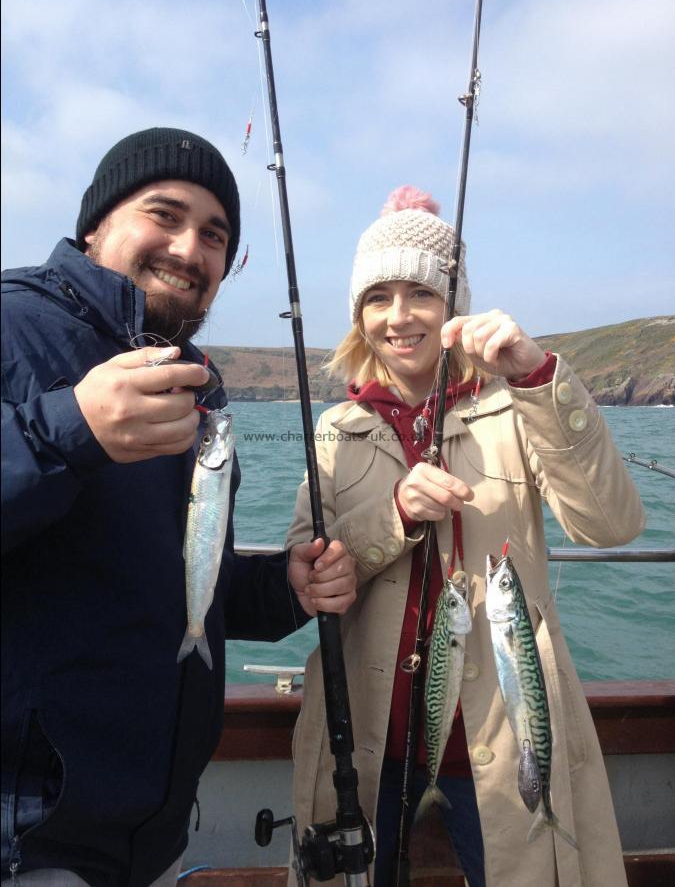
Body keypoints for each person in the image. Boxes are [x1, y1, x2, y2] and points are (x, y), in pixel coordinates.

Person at [1, 127, 358, 887]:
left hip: (155, 830)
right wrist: (71, 429)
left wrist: (282, 590)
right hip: (29, 837)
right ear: (95, 222)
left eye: (214, 235)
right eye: (163, 214)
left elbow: (185, 578)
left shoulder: (198, 383)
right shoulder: (12, 326)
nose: (188, 248)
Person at [286, 186, 645, 887]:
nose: (398, 316)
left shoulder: (517, 410)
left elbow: (610, 525)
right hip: (364, 742)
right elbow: (311, 576)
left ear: (454, 308)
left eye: (420, 292)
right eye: (377, 297)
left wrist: (538, 379)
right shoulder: (334, 429)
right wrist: (394, 512)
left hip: (508, 742)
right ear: (358, 316)